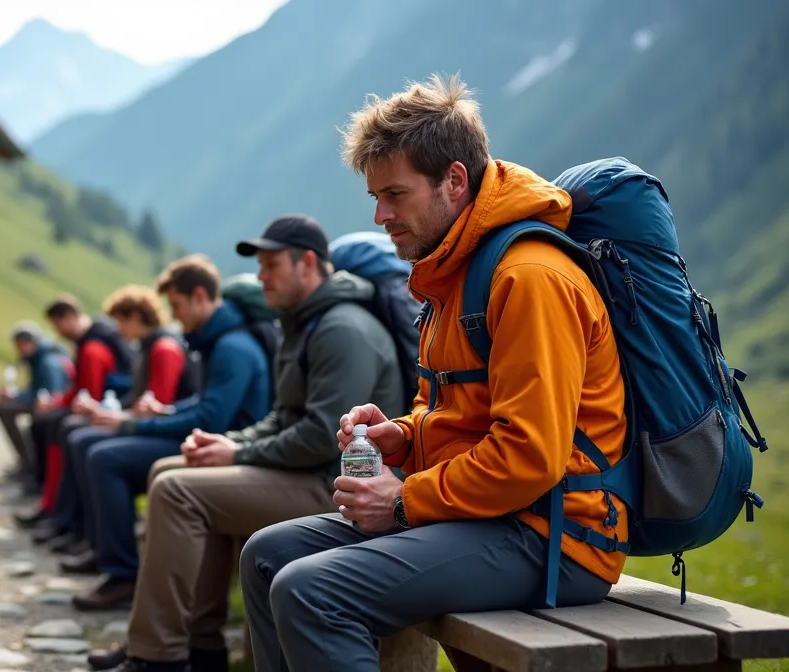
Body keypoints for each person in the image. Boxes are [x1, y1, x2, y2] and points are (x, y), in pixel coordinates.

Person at [239, 73, 628, 672]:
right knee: (267, 555)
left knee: (312, 591)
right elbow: (457, 412)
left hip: (553, 536)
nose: (379, 215)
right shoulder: (452, 272)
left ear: (454, 180)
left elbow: (530, 456)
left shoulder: (528, 279)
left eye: (395, 195)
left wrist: (402, 502)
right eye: (376, 196)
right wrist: (405, 433)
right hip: (487, 517)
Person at [89, 216, 408, 672]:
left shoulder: (342, 329)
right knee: (174, 469)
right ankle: (199, 647)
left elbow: (321, 437)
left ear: (308, 264)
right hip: (306, 473)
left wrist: (237, 454)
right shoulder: (305, 324)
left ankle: (158, 656)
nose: (260, 277)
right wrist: (229, 442)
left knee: (177, 490)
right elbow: (283, 417)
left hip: (337, 489)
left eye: (271, 264)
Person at [71, 254, 273, 611]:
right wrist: (166, 412)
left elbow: (212, 419)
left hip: (225, 446)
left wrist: (130, 424)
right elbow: (205, 404)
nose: (174, 315)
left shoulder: (231, 347)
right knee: (96, 449)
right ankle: (111, 557)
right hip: (215, 438)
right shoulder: (219, 341)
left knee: (105, 457)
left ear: (199, 296)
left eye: (177, 305)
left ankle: (123, 573)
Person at [41, 284, 194, 561]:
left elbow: (156, 404)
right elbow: (140, 400)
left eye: (121, 320)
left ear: (136, 316)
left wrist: (118, 418)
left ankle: (112, 554)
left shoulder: (164, 349)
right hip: (158, 428)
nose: (118, 328)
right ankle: (93, 537)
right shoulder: (149, 348)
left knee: (88, 443)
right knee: (79, 435)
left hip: (169, 434)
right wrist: (107, 412)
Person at [16, 294, 136, 523]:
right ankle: (51, 503)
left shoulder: (91, 348)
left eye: (57, 325)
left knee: (59, 427)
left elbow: (88, 393)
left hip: (110, 409)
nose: (58, 332)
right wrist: (57, 402)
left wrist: (58, 403)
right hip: (109, 406)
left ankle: (60, 510)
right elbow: (79, 390)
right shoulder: (88, 343)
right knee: (49, 423)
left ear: (70, 317)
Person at [0, 321, 74, 475]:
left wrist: (15, 395)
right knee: (4, 406)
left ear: (29, 342)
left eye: (19, 345)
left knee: (4, 408)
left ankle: (29, 463)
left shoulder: (47, 362)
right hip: (48, 402)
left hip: (54, 406)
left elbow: (51, 393)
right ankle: (27, 461)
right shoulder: (39, 357)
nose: (18, 350)